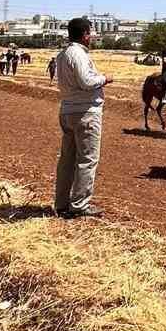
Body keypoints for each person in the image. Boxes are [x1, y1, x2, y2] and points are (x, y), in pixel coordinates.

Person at [54, 17, 112, 218]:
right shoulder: (78, 54)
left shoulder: (62, 54)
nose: (92, 37)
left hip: (68, 110)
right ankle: (79, 205)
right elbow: (87, 81)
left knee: (67, 160)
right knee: (87, 159)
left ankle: (61, 204)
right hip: (85, 113)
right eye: (90, 33)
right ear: (85, 34)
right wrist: (105, 79)